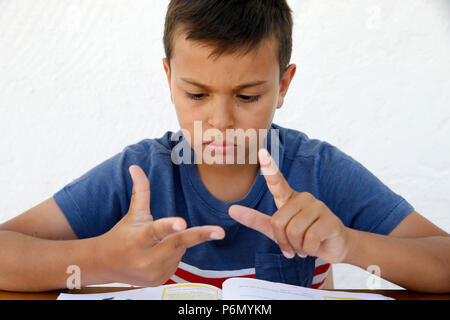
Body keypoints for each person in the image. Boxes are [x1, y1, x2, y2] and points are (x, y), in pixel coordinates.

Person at [0, 0, 449, 293]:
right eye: (196, 95)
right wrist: (97, 260)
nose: (219, 121)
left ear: (283, 85)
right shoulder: (141, 173)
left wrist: (349, 244)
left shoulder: (318, 170)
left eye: (248, 97)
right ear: (168, 79)